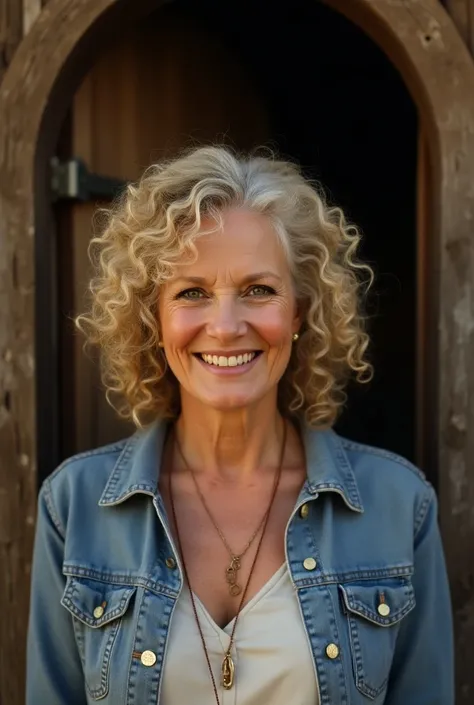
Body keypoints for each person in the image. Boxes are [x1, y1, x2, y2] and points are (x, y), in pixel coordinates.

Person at [26, 145, 454, 705]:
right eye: (192, 293)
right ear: (153, 317)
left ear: (299, 312)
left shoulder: (399, 505)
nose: (226, 327)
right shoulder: (74, 507)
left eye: (259, 290)